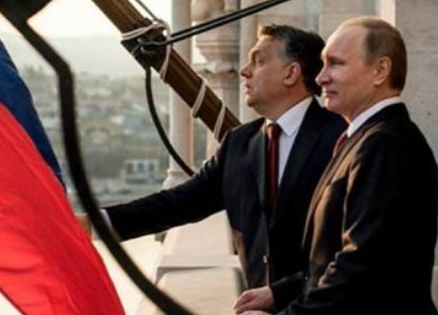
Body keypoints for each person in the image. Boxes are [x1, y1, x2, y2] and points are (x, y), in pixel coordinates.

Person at [235, 16, 438, 315]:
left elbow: (364, 266)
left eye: (335, 64)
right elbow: (343, 253)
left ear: (380, 70)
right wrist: (281, 291)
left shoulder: (387, 144)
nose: (320, 78)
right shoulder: (366, 138)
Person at [103, 24, 345, 296]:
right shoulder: (239, 143)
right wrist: (96, 223)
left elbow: (354, 244)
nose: (245, 71)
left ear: (291, 73)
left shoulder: (343, 138)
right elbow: (177, 204)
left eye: (259, 61)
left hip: (330, 312)